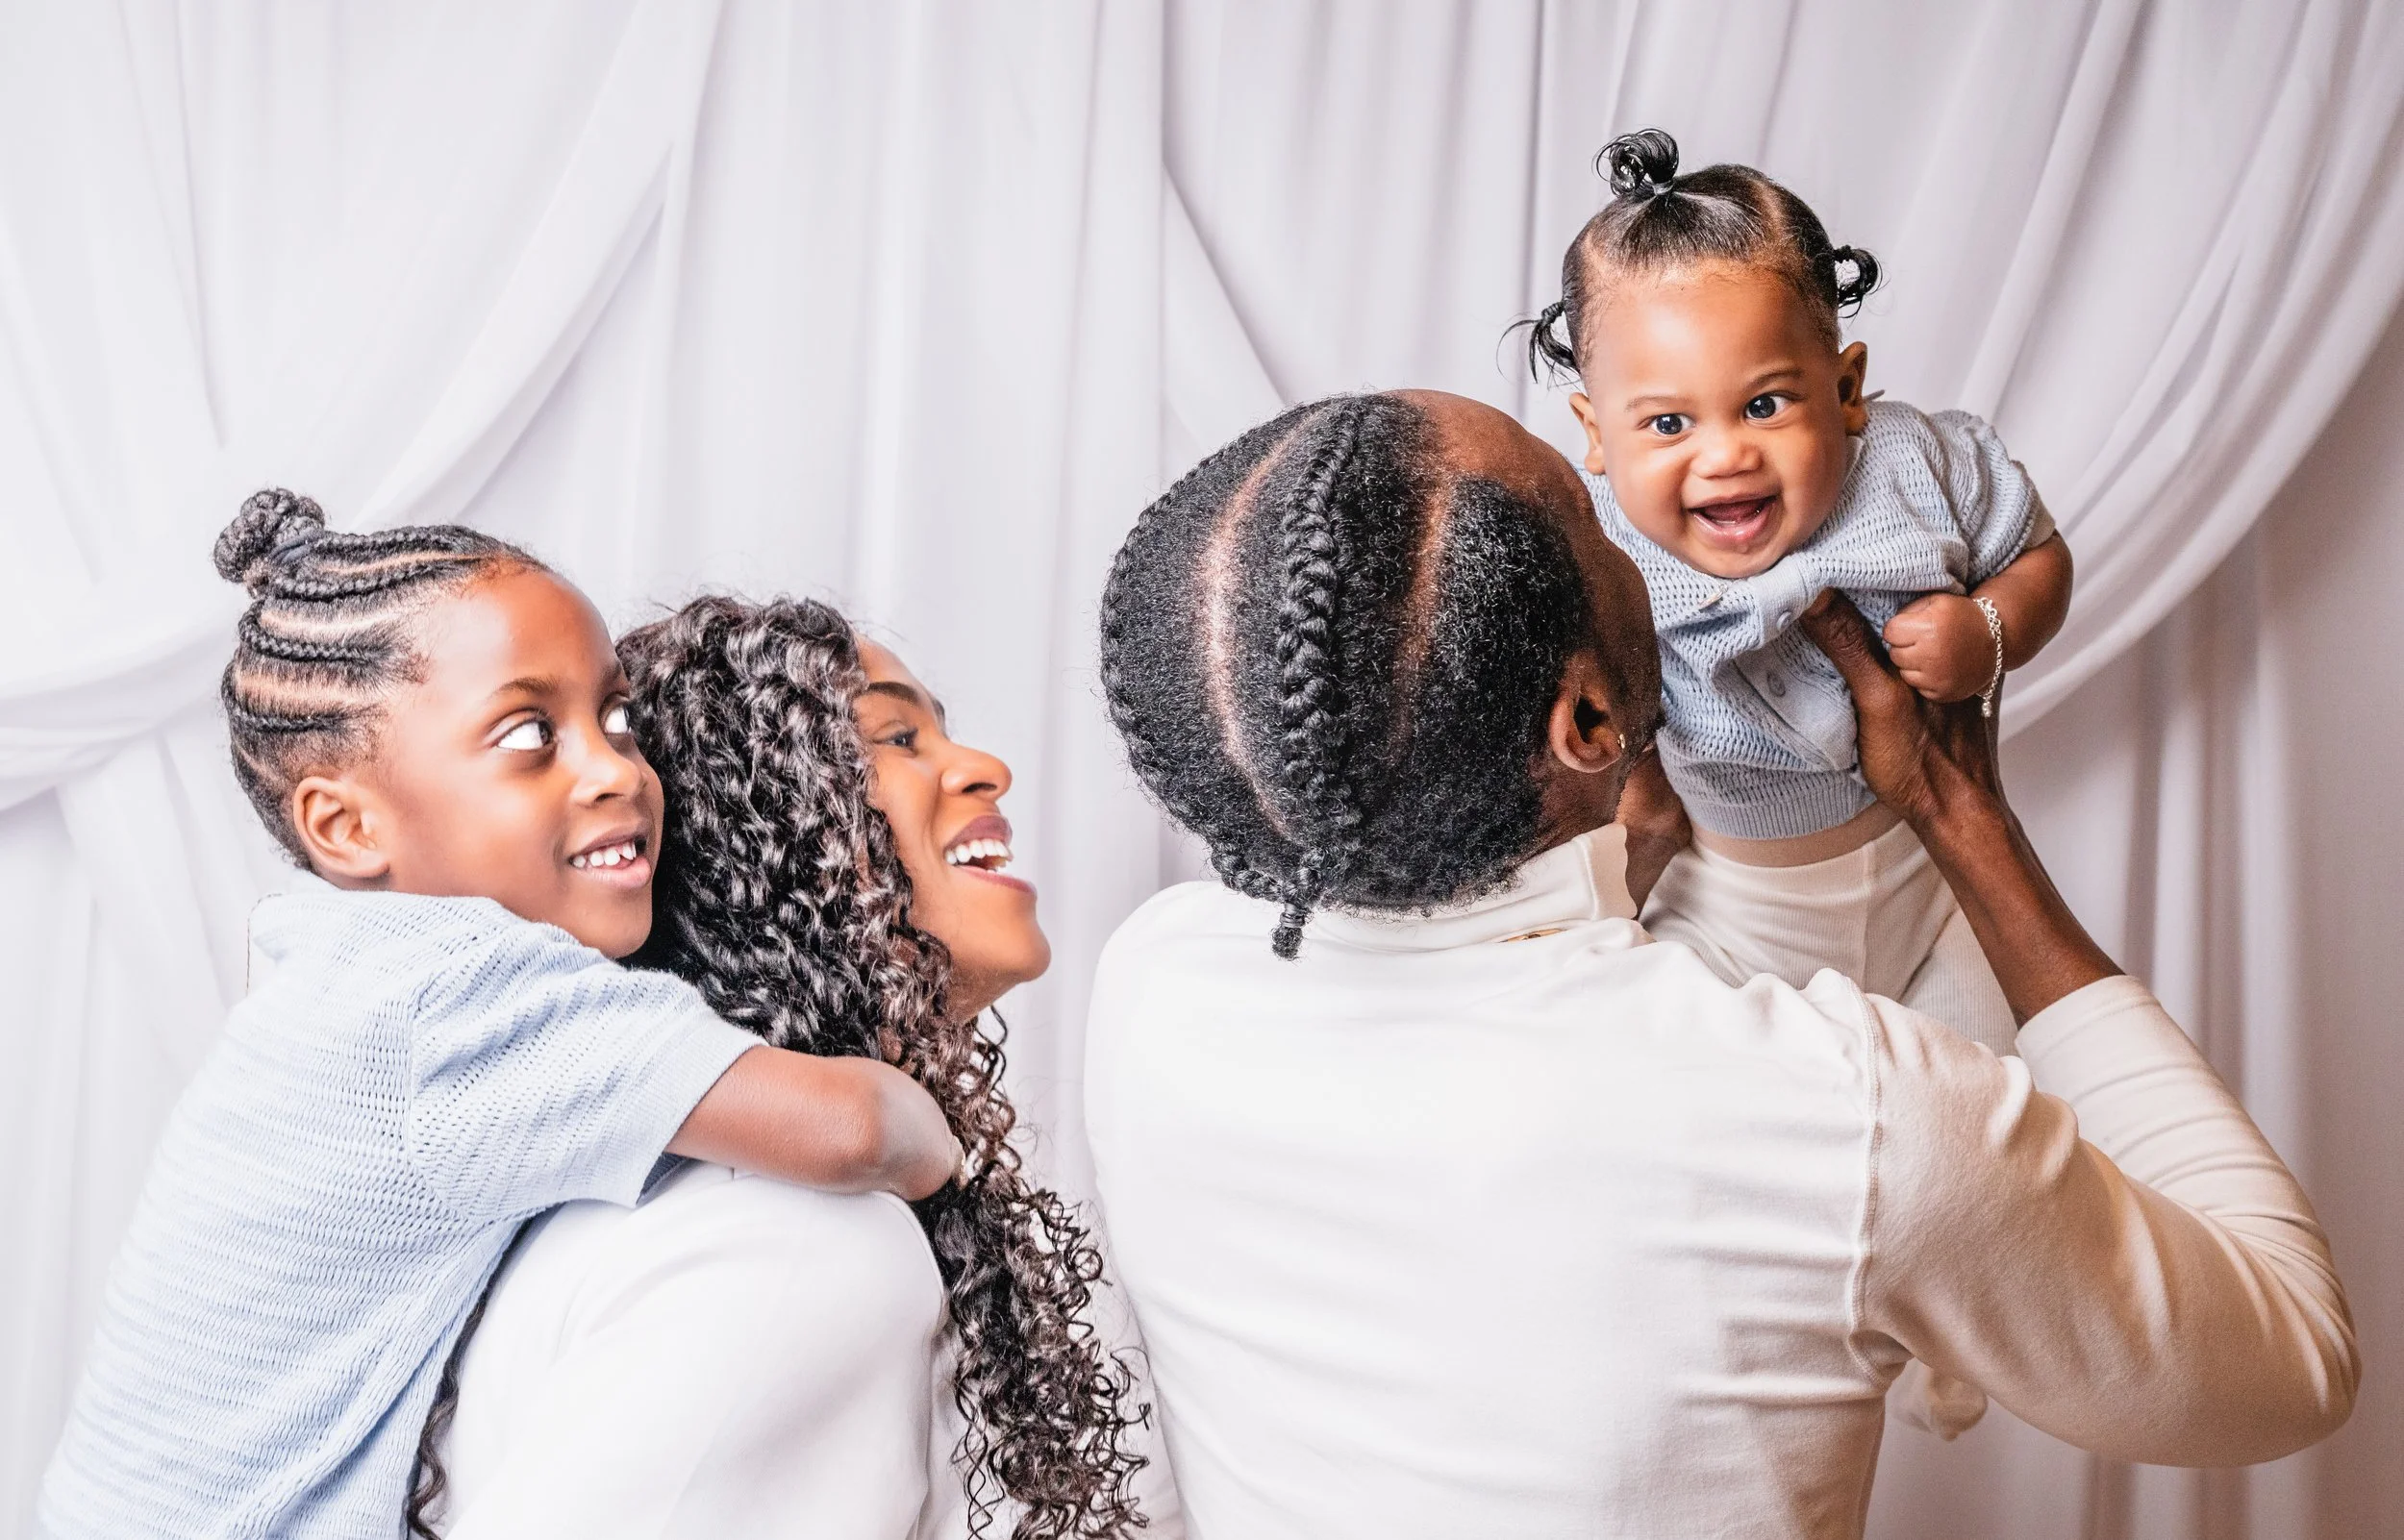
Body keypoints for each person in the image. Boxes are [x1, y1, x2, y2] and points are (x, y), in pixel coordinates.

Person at [1086, 389, 2355, 1539]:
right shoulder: (1843, 1108)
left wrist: (1626, 839)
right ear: (1583, 725)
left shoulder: (1152, 989)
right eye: (1595, 517)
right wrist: (1967, 817)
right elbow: (2293, 1358)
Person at [38, 496, 963, 1540]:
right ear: (345, 825)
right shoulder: (455, 1001)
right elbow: (856, 1132)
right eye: (530, 735)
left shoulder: (335, 984)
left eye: (615, 719)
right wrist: (942, 1145)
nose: (616, 769)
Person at [428, 596, 1154, 1540]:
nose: (986, 769)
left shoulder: (762, 1219)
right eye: (896, 736)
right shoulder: (794, 1250)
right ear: (757, 835)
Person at [1523, 129, 2074, 1053]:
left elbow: (2042, 556)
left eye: (1767, 404)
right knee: (1711, 1105)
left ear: (1847, 388)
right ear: (1595, 433)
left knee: (2000, 1105)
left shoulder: (1913, 467)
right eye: (1666, 422)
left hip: (1931, 885)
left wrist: (1989, 626)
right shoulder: (1601, 552)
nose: (1726, 453)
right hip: (1733, 911)